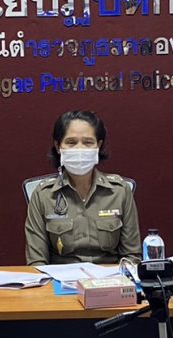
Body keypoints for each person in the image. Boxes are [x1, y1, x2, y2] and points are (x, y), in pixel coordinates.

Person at [25, 111, 140, 266]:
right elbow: (37, 262)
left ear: (99, 145)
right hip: (60, 279)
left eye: (88, 142)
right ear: (58, 146)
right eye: (71, 142)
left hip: (110, 278)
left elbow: (131, 256)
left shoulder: (119, 191)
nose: (79, 149)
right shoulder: (43, 195)